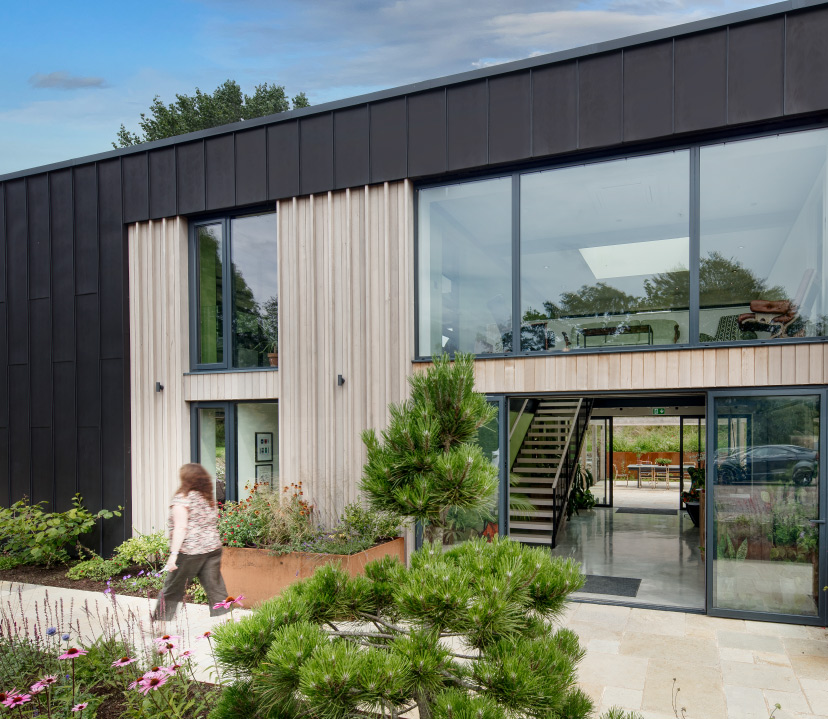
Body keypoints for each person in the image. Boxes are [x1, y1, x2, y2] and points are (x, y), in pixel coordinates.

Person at [153, 463, 229, 621]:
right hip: (212, 548)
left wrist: (173, 555)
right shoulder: (207, 499)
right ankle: (227, 624)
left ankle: (158, 624)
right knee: (216, 588)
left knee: (173, 588)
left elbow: (181, 528)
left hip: (190, 552)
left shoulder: (182, 500)